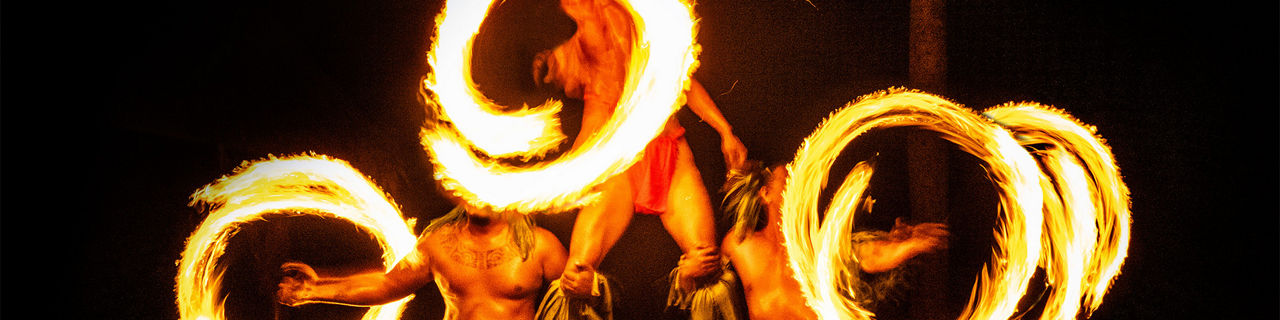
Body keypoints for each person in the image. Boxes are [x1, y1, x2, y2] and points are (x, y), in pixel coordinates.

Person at [531, 0, 748, 312]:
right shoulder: (581, 43)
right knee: (577, 274)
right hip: (616, 168)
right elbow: (576, 106)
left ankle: (690, 284)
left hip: (669, 154)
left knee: (705, 260)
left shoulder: (649, 34)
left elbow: (685, 85)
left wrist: (725, 131)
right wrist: (568, 177)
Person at [717, 161, 949, 319]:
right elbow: (705, 281)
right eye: (788, 179)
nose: (798, 185)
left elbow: (870, 255)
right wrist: (689, 271)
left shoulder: (819, 249)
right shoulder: (740, 244)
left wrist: (909, 245)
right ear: (765, 194)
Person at [275, 199, 569, 320]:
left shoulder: (539, 245)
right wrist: (314, 290)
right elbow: (388, 284)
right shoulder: (438, 243)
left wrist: (590, 284)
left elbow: (579, 304)